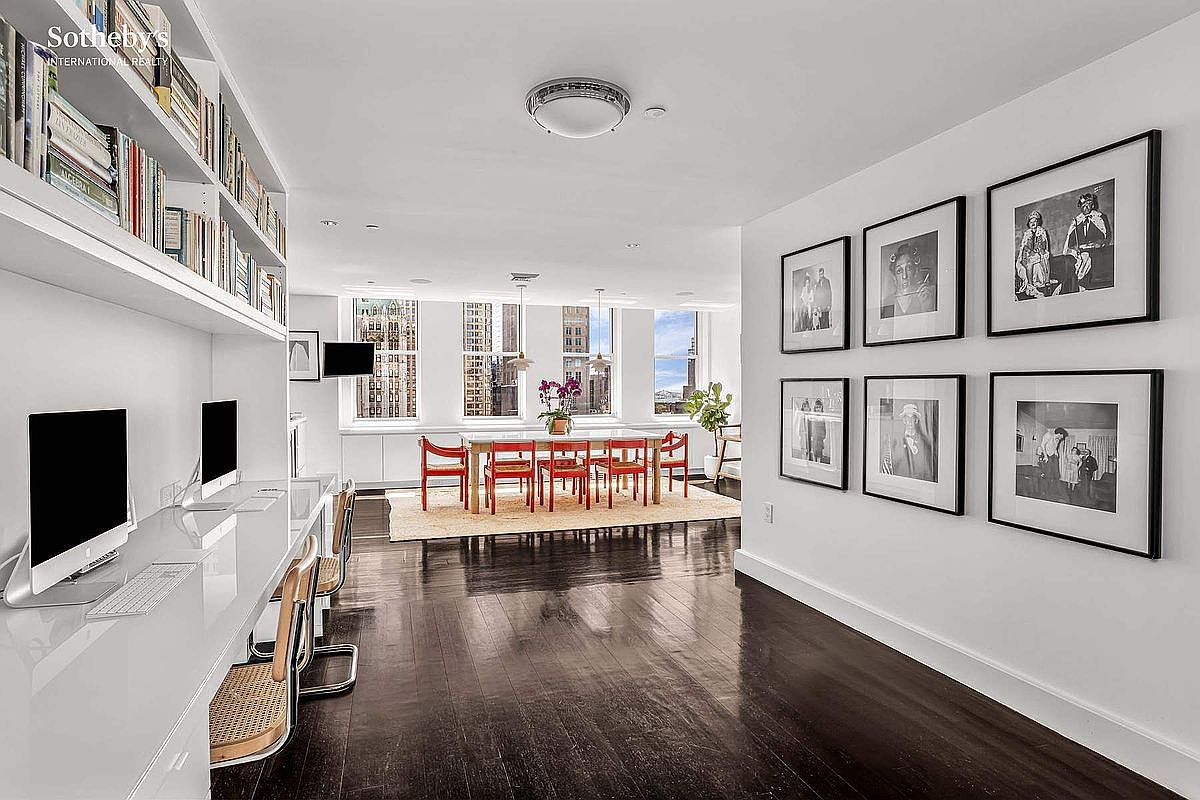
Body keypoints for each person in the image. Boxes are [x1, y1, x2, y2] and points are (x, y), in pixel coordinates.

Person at [1064, 192, 1113, 291]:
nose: (1085, 207)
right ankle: (1077, 285)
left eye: (1088, 205)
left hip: (1096, 251)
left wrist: (1100, 242)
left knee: (1086, 257)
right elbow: (1071, 241)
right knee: (1078, 258)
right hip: (1081, 250)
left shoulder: (1100, 217)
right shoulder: (1077, 221)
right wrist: (1074, 247)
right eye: (1083, 205)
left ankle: (1081, 284)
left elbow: (1106, 236)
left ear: (1093, 205)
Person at [881, 402, 937, 482]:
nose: (910, 422)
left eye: (912, 418)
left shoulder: (925, 442)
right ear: (904, 420)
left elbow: (929, 469)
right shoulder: (894, 442)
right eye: (907, 418)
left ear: (916, 420)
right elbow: (889, 469)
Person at [880, 241, 936, 318]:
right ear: (894, 277)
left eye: (909, 268)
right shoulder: (888, 302)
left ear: (915, 272)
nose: (904, 276)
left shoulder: (923, 297)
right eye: (899, 271)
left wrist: (927, 309)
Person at [1015, 210, 1052, 298]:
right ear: (1029, 223)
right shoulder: (1027, 233)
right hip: (1029, 254)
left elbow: (1044, 244)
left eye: (1035, 221)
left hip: (1039, 252)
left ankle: (1046, 281)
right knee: (1029, 262)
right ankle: (1030, 285)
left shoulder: (1042, 231)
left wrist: (1039, 250)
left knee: (1044, 258)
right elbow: (1024, 246)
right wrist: (1029, 251)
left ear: (1038, 222)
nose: (1033, 223)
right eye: (1031, 222)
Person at [1036, 426, 1069, 502]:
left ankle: (1053, 492)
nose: (1062, 438)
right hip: (1046, 456)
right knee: (1047, 475)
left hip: (1053, 457)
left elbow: (1054, 449)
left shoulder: (1057, 440)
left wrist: (1056, 454)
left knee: (1056, 475)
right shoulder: (1048, 435)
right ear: (1059, 433)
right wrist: (1045, 456)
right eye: (1062, 436)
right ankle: (1045, 493)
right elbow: (1043, 445)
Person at [809, 399, 829, 464]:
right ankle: (814, 462)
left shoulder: (823, 417)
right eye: (817, 407)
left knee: (819, 450)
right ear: (815, 408)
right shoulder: (813, 417)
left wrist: (823, 436)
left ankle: (819, 462)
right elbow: (812, 427)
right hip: (815, 436)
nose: (818, 409)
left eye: (819, 407)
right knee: (814, 449)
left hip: (820, 437)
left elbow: (824, 427)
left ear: (821, 408)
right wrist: (811, 435)